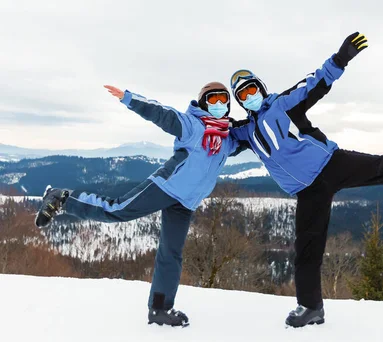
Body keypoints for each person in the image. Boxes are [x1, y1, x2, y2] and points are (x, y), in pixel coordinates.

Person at [228, 32, 383, 328]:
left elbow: (314, 84)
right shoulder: (245, 131)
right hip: (308, 192)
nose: (250, 96)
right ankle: (311, 308)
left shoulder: (283, 104)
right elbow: (223, 139)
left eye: (252, 89)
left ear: (261, 87)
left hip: (333, 164)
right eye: (243, 95)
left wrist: (340, 59)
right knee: (307, 251)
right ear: (240, 102)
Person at [35, 82, 241, 327]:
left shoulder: (228, 140)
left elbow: (253, 136)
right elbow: (161, 113)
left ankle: (160, 309)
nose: (218, 105)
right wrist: (129, 98)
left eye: (223, 100)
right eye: (212, 99)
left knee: (171, 253)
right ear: (204, 103)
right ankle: (62, 198)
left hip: (186, 202)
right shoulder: (191, 125)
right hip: (166, 186)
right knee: (117, 209)